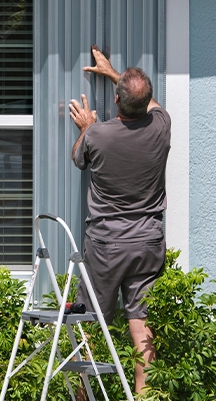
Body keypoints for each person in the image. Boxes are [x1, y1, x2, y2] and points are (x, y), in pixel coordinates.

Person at [68, 45, 171, 394]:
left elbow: (77, 157)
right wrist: (117, 74)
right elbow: (151, 105)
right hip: (148, 244)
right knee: (141, 326)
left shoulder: (97, 135)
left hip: (106, 246)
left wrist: (86, 126)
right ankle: (144, 396)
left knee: (91, 320)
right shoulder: (161, 125)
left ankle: (85, 394)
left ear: (115, 100)